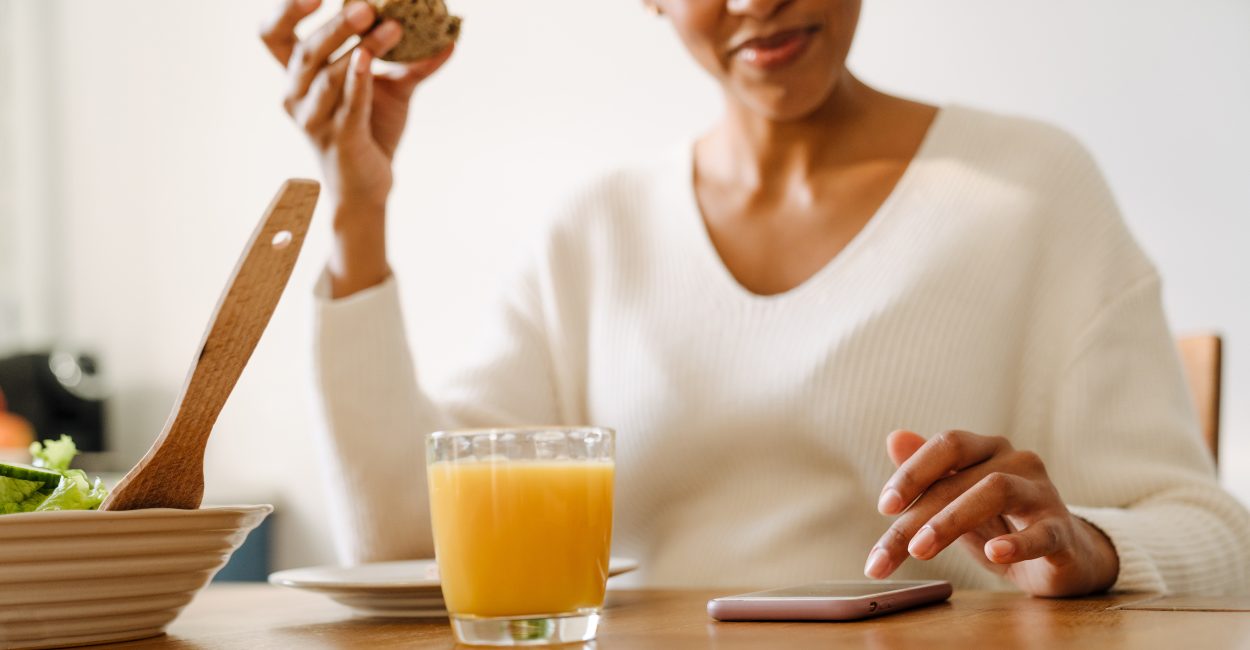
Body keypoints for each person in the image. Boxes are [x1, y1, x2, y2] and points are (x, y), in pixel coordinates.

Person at [261, 0, 1249, 596]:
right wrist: (356, 207)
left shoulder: (1031, 190)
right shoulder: (591, 234)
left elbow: (1217, 540)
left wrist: (1092, 542)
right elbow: (399, 541)